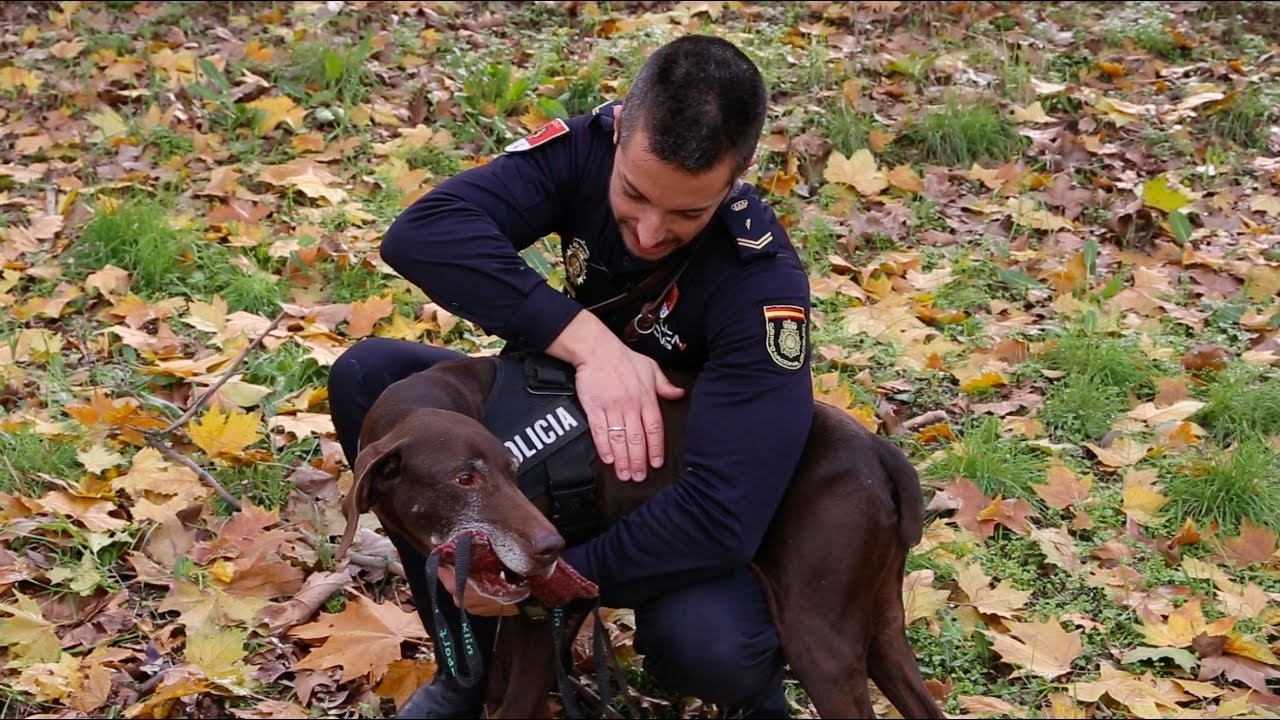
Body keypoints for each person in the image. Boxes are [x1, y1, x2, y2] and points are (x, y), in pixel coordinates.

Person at [327, 34, 814, 719]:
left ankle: (757, 679)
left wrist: (542, 575)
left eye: (687, 214)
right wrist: (589, 342)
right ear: (618, 130)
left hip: (666, 499)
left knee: (713, 649)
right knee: (370, 376)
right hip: (561, 435)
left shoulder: (761, 286)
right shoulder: (585, 148)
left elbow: (723, 516)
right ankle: (466, 663)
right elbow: (422, 234)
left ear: (739, 174)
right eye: (634, 195)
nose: (648, 231)